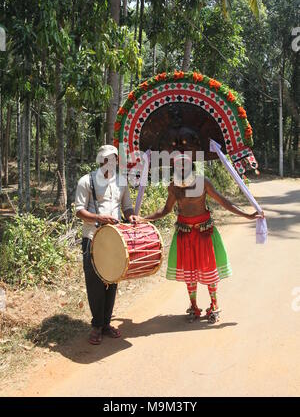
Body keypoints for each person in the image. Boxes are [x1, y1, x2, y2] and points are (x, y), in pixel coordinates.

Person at [143, 153, 264, 323]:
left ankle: (214, 305)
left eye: (184, 165)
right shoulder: (174, 187)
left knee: (208, 269)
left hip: (204, 232)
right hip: (185, 234)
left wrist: (247, 215)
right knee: (189, 272)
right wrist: (143, 219)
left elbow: (224, 202)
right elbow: (165, 210)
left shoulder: (203, 182)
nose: (181, 168)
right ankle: (194, 306)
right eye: (178, 166)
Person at [75, 145, 138, 344]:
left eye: (113, 159)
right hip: (93, 238)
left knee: (112, 280)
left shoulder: (121, 181)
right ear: (101, 160)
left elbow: (127, 207)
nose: (110, 162)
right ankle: (96, 326)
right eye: (106, 159)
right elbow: (79, 211)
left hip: (116, 239)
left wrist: (131, 217)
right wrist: (97, 217)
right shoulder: (86, 181)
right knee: (95, 283)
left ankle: (106, 323)